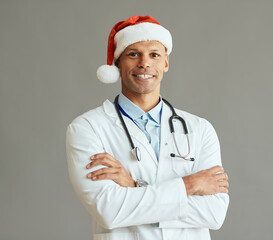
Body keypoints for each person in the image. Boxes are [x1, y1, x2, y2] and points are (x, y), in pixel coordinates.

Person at [66, 15, 229, 240]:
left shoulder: (200, 129)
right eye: (133, 54)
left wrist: (135, 187)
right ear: (117, 63)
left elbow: (214, 213)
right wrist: (189, 185)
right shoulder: (87, 128)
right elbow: (109, 211)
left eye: (154, 54)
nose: (145, 63)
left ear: (166, 63)